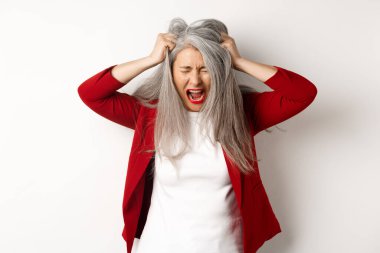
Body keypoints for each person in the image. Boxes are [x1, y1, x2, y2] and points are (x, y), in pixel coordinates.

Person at [77, 17, 317, 253]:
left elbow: (303, 93)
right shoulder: (149, 115)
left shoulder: (241, 113)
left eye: (206, 69)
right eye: (185, 69)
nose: (195, 80)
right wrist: (150, 60)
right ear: (171, 73)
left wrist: (239, 61)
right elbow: (91, 93)